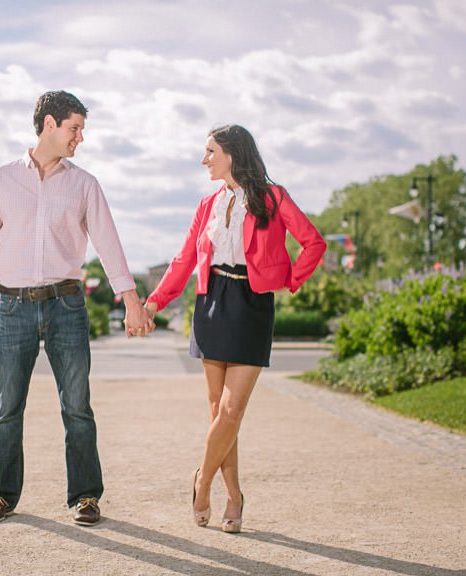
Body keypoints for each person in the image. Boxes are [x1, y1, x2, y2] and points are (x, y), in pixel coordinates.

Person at [0, 90, 151, 527]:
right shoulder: (1, 180)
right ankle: (1, 494)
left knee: (77, 406)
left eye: (81, 130)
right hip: (12, 306)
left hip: (67, 304)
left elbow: (108, 243)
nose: (80, 138)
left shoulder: (84, 184)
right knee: (6, 407)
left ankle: (85, 496)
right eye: (75, 128)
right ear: (49, 124)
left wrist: (131, 301)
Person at [144, 124, 326, 533]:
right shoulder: (207, 204)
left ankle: (201, 481)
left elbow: (313, 242)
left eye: (210, 151)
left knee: (231, 410)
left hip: (252, 304)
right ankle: (235, 496)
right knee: (218, 415)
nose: (203, 159)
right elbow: (184, 259)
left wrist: (291, 279)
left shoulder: (273, 197)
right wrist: (155, 300)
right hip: (211, 304)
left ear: (231, 153)